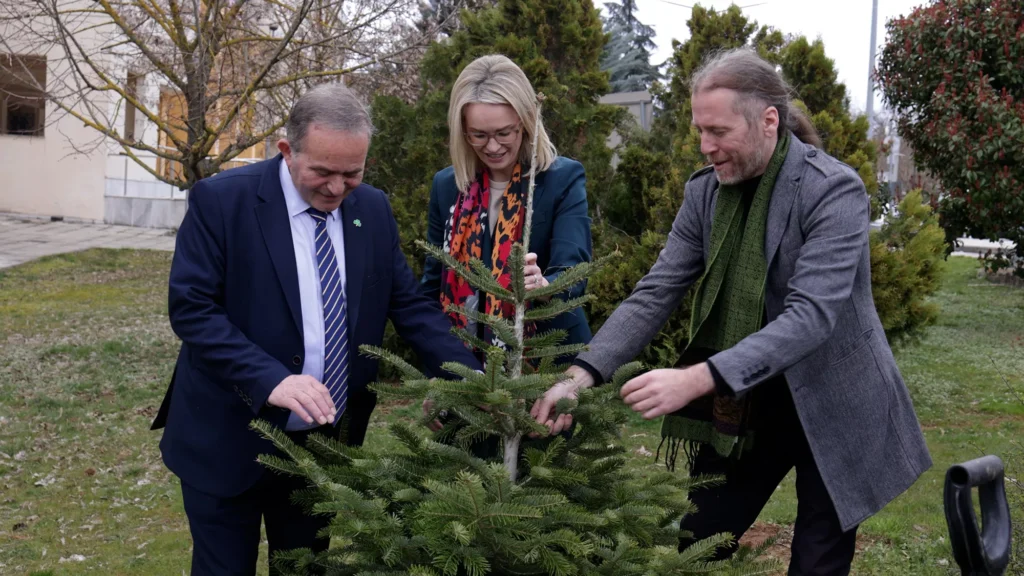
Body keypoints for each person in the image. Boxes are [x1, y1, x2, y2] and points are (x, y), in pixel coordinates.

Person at [531, 48, 932, 575]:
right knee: (698, 544)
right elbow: (656, 291)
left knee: (817, 563)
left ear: (768, 120)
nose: (705, 146)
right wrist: (580, 375)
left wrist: (696, 378)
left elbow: (811, 317)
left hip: (837, 397)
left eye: (718, 131)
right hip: (750, 397)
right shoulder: (705, 194)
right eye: (700, 130)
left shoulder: (832, 190)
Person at [150, 83, 481, 575]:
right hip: (226, 437)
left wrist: (472, 380)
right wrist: (271, 379)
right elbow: (193, 310)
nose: (336, 188)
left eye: (352, 174)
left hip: (323, 445)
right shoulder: (222, 201)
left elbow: (410, 306)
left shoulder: (372, 209)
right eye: (322, 172)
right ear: (287, 150)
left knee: (306, 568)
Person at [419, 54, 592, 441]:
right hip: (468, 374)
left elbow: (574, 268)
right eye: (478, 135)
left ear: (526, 122)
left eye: (504, 133)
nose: (493, 146)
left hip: (547, 367)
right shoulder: (447, 186)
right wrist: (439, 371)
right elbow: (433, 288)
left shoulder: (562, 178)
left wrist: (544, 285)